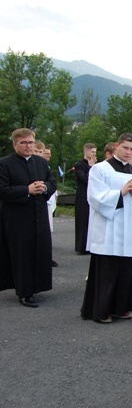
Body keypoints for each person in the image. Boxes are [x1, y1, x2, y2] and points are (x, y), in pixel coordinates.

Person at [81, 133, 132, 323]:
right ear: (117, 146)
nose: (128, 152)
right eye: (125, 148)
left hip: (130, 229)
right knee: (108, 271)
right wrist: (121, 192)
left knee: (127, 270)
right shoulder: (100, 169)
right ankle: (101, 311)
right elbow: (95, 197)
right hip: (109, 228)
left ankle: (122, 307)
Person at [0, 128, 57, 308]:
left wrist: (44, 187)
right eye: (23, 142)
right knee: (22, 253)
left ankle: (38, 286)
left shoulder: (40, 162)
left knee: (39, 250)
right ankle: (24, 291)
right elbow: (3, 190)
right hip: (17, 216)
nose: (28, 146)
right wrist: (27, 190)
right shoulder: (4, 163)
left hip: (39, 213)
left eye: (31, 142)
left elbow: (52, 182)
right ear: (14, 144)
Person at [74, 143, 97, 254]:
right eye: (92, 152)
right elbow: (86, 179)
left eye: (95, 152)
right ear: (86, 151)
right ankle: (81, 246)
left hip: (92, 194)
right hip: (82, 194)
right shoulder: (79, 165)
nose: (94, 154)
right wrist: (91, 167)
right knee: (82, 219)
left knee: (91, 219)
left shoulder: (96, 165)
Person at [42, 145, 59, 267]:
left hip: (45, 200)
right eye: (45, 153)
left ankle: (46, 256)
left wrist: (45, 187)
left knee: (46, 231)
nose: (48, 155)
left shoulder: (44, 166)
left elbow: (52, 183)